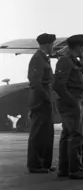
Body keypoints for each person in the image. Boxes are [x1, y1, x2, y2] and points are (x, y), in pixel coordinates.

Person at [53, 34, 83, 180]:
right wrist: (73, 102)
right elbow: (58, 85)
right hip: (72, 101)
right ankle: (75, 170)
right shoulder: (65, 61)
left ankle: (64, 169)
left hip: (74, 100)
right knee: (76, 135)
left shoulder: (72, 61)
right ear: (77, 47)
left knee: (67, 135)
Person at [27, 33, 56, 173]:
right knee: (38, 133)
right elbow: (35, 83)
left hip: (45, 98)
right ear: (46, 44)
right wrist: (45, 97)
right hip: (40, 100)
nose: (53, 47)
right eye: (51, 44)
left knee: (46, 132)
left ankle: (44, 163)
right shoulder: (38, 59)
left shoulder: (44, 58)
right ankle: (35, 165)